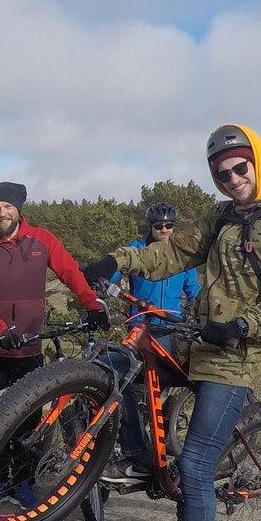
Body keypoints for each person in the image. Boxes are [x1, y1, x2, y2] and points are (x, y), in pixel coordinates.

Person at [81, 125, 261, 521]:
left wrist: (244, 324)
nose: (231, 179)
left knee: (197, 468)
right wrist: (116, 261)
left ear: (258, 163)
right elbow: (173, 253)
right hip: (200, 336)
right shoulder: (221, 216)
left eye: (239, 168)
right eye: (220, 173)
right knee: (127, 360)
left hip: (235, 352)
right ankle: (141, 458)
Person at [0, 181, 108, 412]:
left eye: (8, 206)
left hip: (29, 345)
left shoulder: (42, 239)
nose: (2, 214)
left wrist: (92, 304)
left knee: (29, 418)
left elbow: (70, 272)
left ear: (19, 209)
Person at [104, 201, 202, 482]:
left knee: (168, 383)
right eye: (159, 226)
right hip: (141, 327)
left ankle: (168, 435)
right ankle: (135, 447)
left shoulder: (182, 255)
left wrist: (198, 312)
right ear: (150, 226)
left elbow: (193, 291)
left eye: (169, 225)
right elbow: (113, 272)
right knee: (126, 385)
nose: (165, 230)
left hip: (172, 328)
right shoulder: (137, 248)